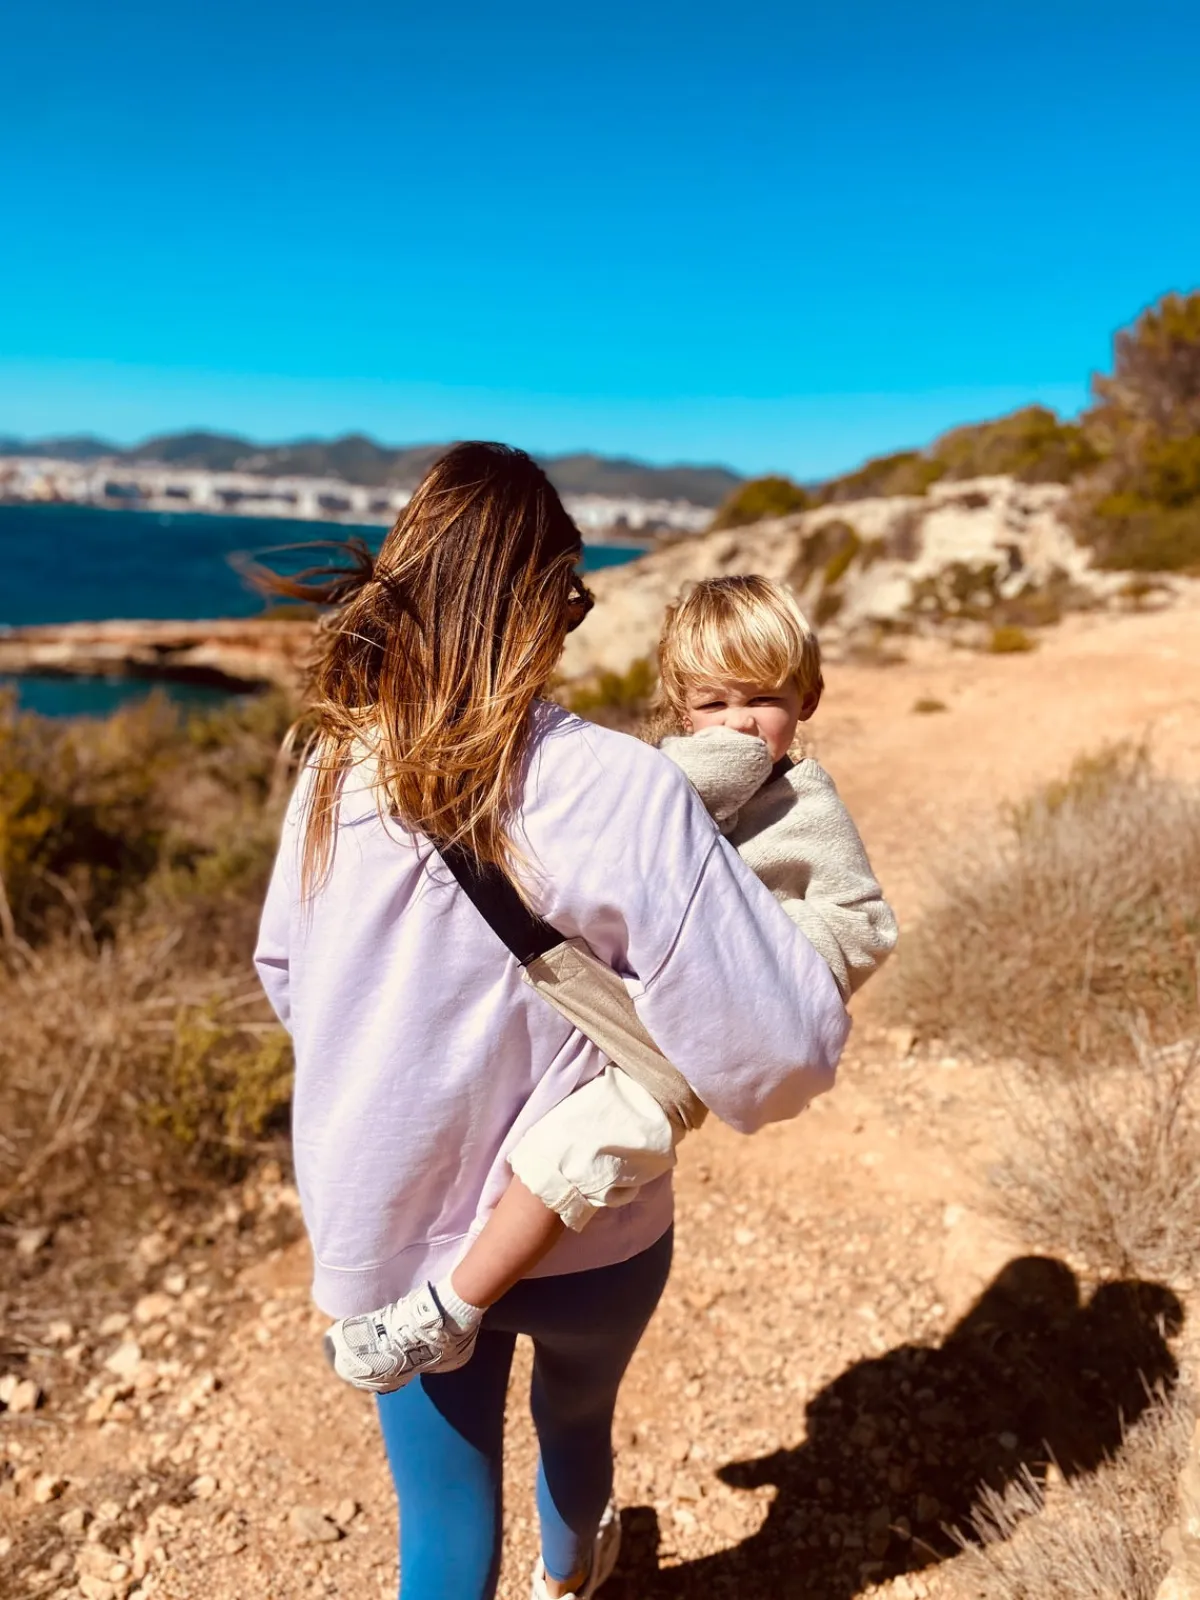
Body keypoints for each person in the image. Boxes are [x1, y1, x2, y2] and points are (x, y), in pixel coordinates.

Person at [254, 443, 850, 1600]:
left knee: (437, 1522)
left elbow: (287, 973)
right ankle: (570, 1581)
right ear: (552, 602)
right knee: (577, 1430)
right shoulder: (621, 784)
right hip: (596, 1235)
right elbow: (781, 1053)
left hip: (395, 1224)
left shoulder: (334, 767)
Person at [326, 574, 897, 1403]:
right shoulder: (646, 772)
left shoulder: (806, 805)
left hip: (701, 1039)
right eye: (712, 702)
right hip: (615, 1005)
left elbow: (861, 922)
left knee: (580, 1147)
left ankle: (449, 1309)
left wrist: (767, 956)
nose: (739, 723)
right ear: (677, 703)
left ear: (808, 697)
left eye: (765, 699)